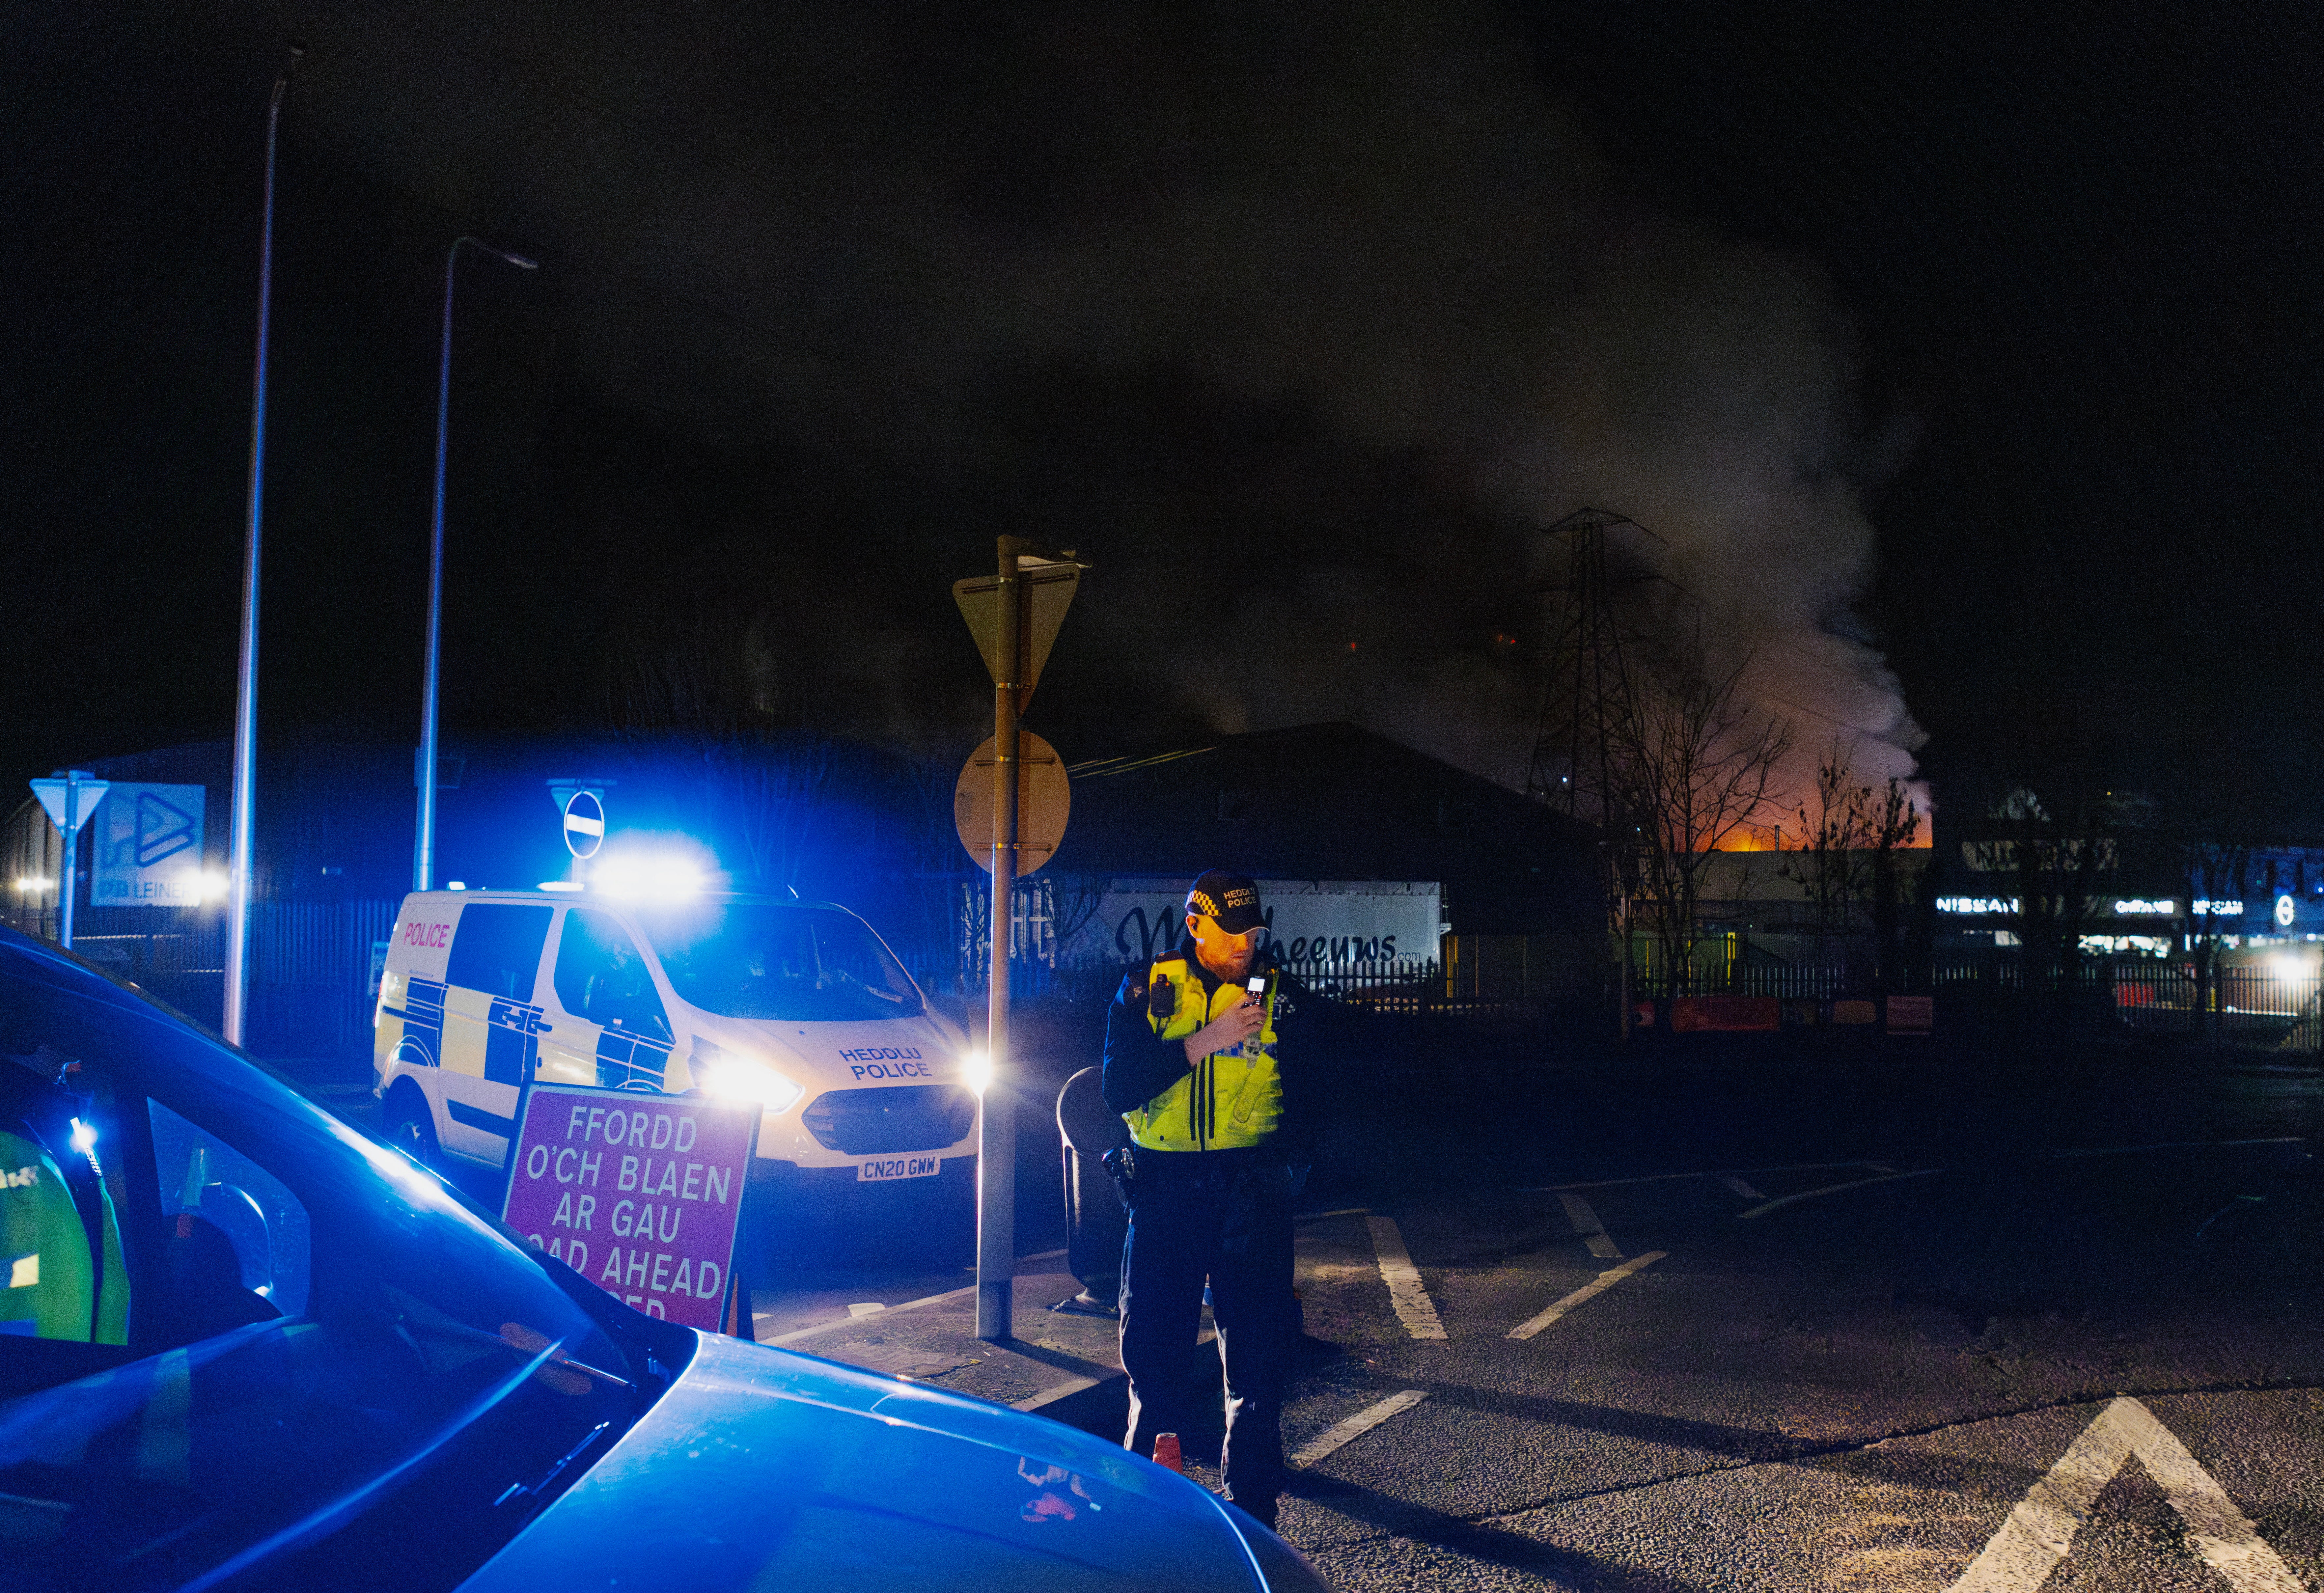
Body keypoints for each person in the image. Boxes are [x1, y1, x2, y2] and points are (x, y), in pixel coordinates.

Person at [1102, 870, 1311, 1529]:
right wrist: (1204, 1041)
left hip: (1251, 1194)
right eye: (1233, 934)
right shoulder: (1148, 989)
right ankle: (1151, 1522)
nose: (1246, 945)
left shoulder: (1279, 993)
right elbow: (1119, 1086)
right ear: (1196, 926)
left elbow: (1320, 1091)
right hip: (1166, 1193)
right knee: (1155, 1364)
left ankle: (1252, 1523)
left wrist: (1292, 1171)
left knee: (1257, 1364)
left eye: (1254, 933)